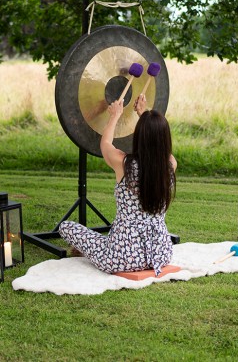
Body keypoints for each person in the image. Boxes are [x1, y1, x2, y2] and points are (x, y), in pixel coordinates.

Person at [58, 92, 177, 276]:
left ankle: (92, 251)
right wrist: (142, 113)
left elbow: (105, 144)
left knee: (66, 227)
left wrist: (115, 115)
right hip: (160, 254)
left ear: (139, 136)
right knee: (101, 241)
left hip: (121, 258)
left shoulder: (125, 164)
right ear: (166, 139)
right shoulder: (170, 166)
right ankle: (98, 248)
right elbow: (158, 144)